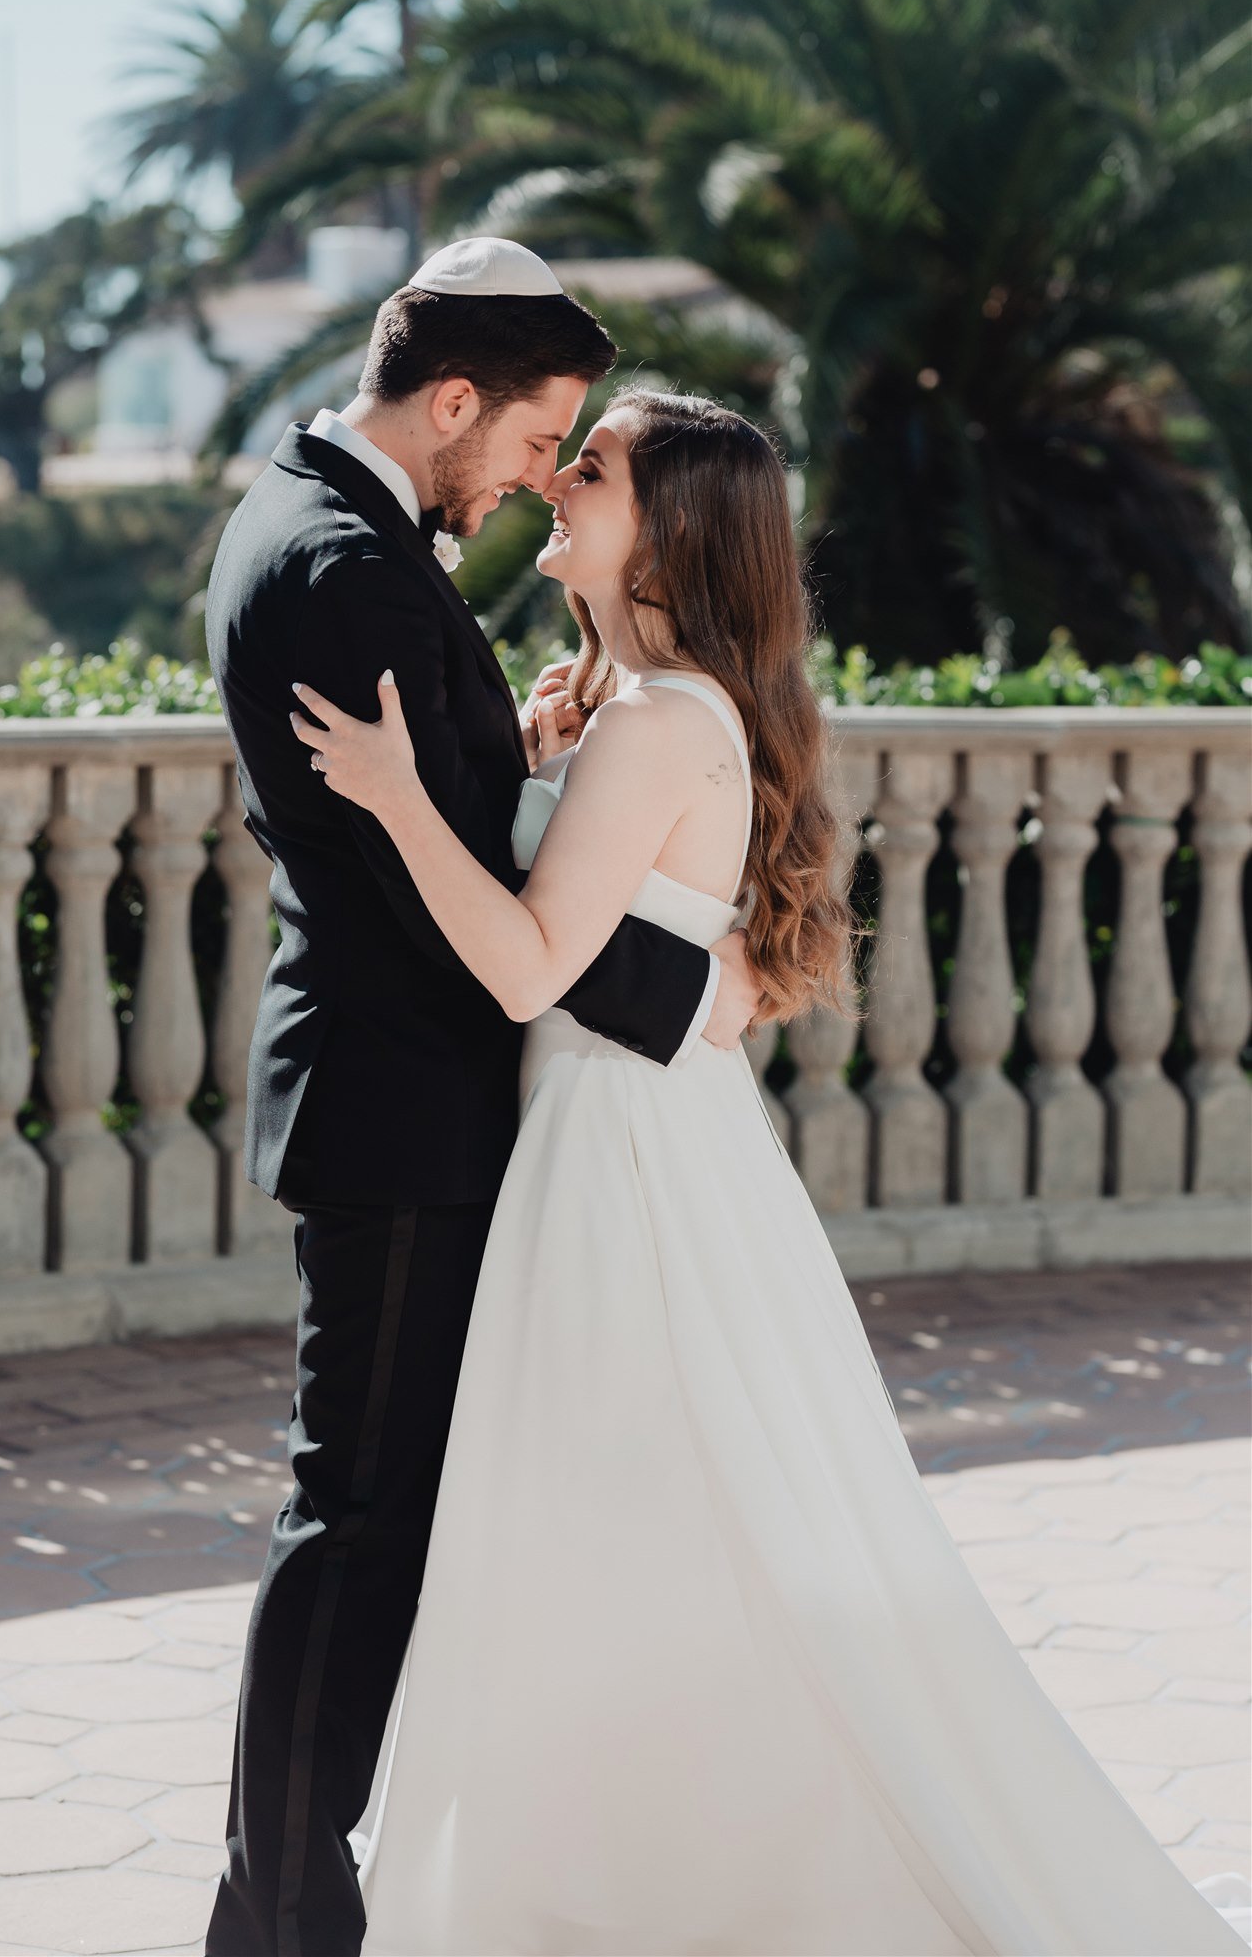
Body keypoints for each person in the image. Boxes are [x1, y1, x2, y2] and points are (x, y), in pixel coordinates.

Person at [290, 388, 1251, 1955]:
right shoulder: (629, 709)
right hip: (619, 1137)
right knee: (636, 1517)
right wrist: (537, 762)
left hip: (620, 1164)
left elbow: (536, 967)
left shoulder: (665, 723)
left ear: (666, 532)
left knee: (632, 1510)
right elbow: (662, 953)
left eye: (588, 469)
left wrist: (403, 804)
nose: (556, 482)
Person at [202, 241, 762, 1956]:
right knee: (359, 1525)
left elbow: (438, 841)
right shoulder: (352, 570)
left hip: (416, 1105)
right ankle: (286, 1909)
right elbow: (467, 911)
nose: (537, 476)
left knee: (388, 1517)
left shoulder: (311, 525)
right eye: (541, 438)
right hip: (405, 1113)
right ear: (454, 401)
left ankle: (297, 1885)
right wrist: (710, 987)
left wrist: (511, 789)